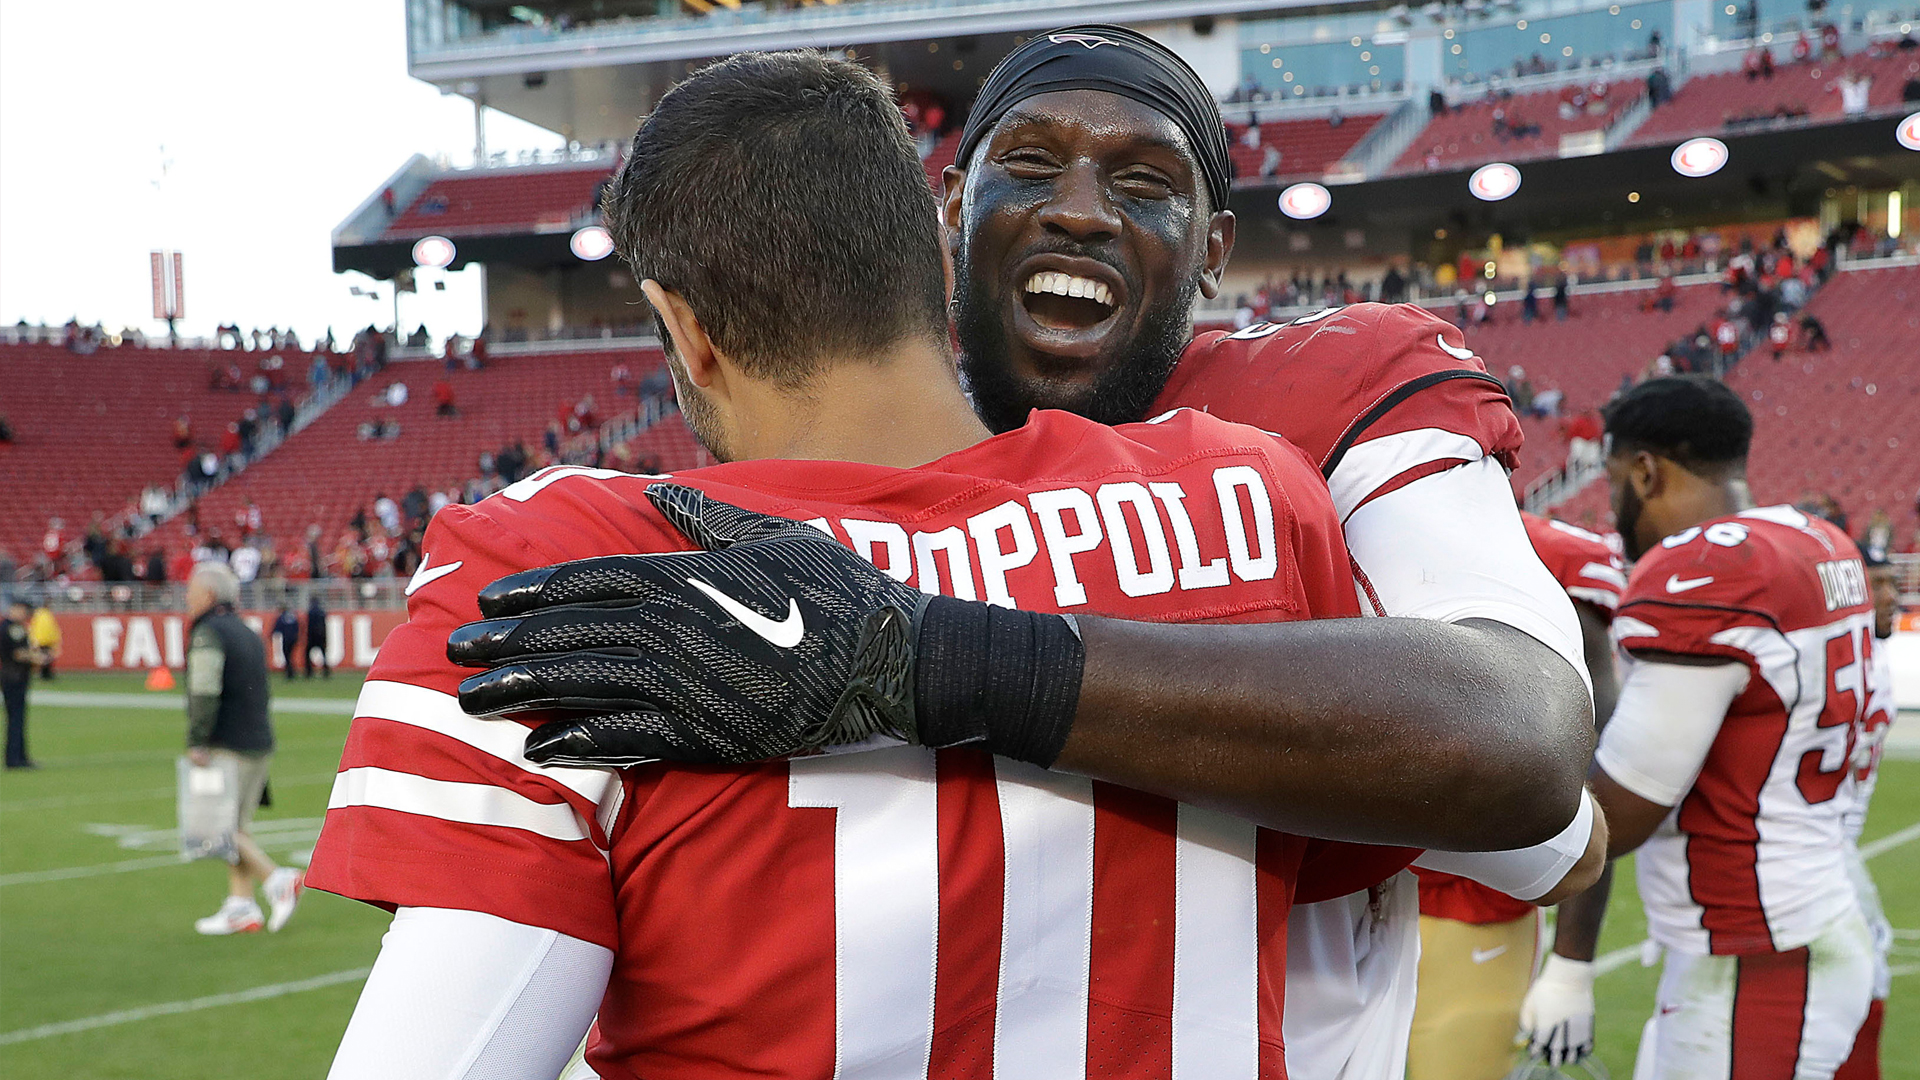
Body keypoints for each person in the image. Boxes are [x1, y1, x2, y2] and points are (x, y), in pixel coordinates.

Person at [311, 50, 1599, 1079]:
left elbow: (1537, 787)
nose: (1079, 209)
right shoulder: (1247, 490)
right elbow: (1549, 845)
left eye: (1141, 178)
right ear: (940, 239)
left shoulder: (578, 547)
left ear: (683, 333)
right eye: (1030, 164)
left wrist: (928, 656)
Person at [1553, 376, 1876, 1076]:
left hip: (1757, 959)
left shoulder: (1704, 572)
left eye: (1613, 483)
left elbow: (1619, 816)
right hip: (1806, 919)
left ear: (1645, 470)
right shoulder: (1817, 538)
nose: (1612, 509)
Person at [1413, 512, 1625, 1078]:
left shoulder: (1549, 554)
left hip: (1472, 904)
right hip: (1335, 889)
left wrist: (1572, 966)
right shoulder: (1317, 511)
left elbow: (1587, 769)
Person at [182, 562, 303, 935]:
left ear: (208, 595)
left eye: (191, 591)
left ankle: (277, 879)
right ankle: (241, 906)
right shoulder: (247, 631)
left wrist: (198, 740)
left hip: (227, 744)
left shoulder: (209, 633)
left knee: (219, 827)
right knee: (236, 827)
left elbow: (204, 688)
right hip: (257, 740)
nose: (186, 599)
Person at [1834, 553, 1899, 1079]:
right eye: (1876, 584)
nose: (1891, 595)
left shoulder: (1872, 663)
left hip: (1838, 845)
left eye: (1892, 583)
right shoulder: (1835, 662)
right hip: (1816, 847)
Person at [2, 600, 37, 769]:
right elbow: (17, 653)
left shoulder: (13, 627)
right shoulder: (12, 628)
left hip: (13, 676)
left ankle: (19, 756)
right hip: (13, 677)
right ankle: (15, 758)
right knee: (16, 718)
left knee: (17, 717)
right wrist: (36, 657)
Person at [27, 602, 59, 680]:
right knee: (44, 658)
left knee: (44, 658)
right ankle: (45, 674)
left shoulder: (39, 615)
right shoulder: (46, 615)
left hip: (41, 640)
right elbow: (51, 629)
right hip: (45, 640)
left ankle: (44, 674)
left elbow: (34, 627)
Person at [271, 606, 301, 680]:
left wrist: (271, 634)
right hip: (293, 638)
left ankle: (289, 672)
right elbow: (297, 627)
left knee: (287, 656)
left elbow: (277, 628)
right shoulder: (293, 616)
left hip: (286, 639)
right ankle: (292, 671)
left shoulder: (281, 617)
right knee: (290, 655)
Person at [304, 594, 330, 679]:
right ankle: (326, 671)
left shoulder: (311, 611)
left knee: (307, 653)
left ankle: (309, 672)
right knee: (324, 654)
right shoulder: (322, 611)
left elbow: (309, 625)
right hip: (321, 635)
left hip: (312, 636)